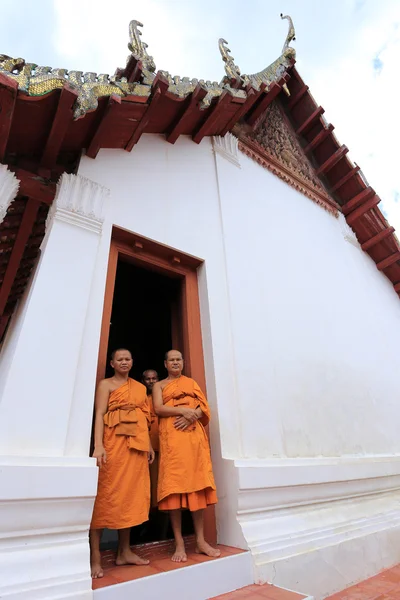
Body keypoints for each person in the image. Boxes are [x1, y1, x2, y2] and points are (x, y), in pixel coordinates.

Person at [90, 348, 155, 579]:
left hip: (136, 446)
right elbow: (99, 414)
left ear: (132, 362)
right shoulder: (106, 385)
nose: (124, 362)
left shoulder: (138, 387)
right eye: (120, 359)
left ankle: (124, 551)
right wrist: (98, 446)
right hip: (113, 444)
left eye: (128, 358)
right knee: (106, 494)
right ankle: (95, 555)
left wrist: (148, 445)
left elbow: (144, 419)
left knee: (130, 495)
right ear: (112, 363)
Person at [152, 349, 220, 562]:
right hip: (173, 442)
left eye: (178, 359)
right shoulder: (159, 385)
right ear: (165, 364)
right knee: (174, 489)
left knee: (196, 486)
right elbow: (158, 408)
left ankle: (200, 541)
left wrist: (193, 415)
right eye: (171, 359)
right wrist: (183, 412)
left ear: (182, 362)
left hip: (193, 441)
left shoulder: (191, 383)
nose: (175, 362)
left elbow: (204, 407)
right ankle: (179, 543)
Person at [142, 369, 160, 509]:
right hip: (147, 448)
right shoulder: (142, 399)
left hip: (165, 446)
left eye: (154, 378)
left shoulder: (164, 397)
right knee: (148, 486)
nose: (151, 381)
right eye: (148, 379)